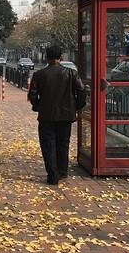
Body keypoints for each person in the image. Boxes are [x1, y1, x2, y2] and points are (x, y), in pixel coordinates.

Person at [28, 45, 86, 185]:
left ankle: (52, 175)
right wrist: (77, 106)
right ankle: (62, 172)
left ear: (46, 58)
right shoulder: (71, 73)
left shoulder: (39, 74)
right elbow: (82, 91)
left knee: (48, 145)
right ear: (61, 57)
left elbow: (32, 95)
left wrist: (38, 106)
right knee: (63, 144)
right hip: (66, 115)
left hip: (46, 115)